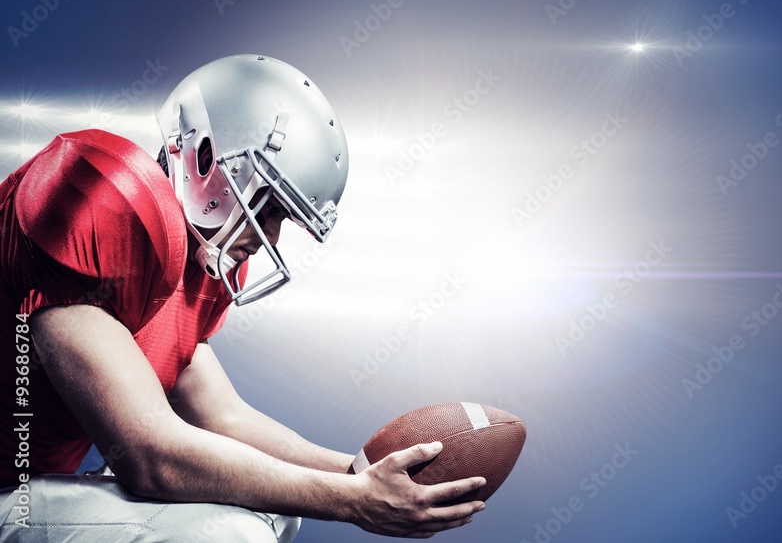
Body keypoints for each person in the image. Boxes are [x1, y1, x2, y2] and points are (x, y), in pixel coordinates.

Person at [0, 54, 485, 542]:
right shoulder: (101, 199)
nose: (269, 235)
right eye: (269, 207)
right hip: (8, 491)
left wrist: (361, 474)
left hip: (38, 486)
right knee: (230, 531)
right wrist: (353, 503)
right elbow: (148, 455)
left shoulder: (199, 257)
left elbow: (222, 418)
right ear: (207, 156)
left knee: (277, 505)